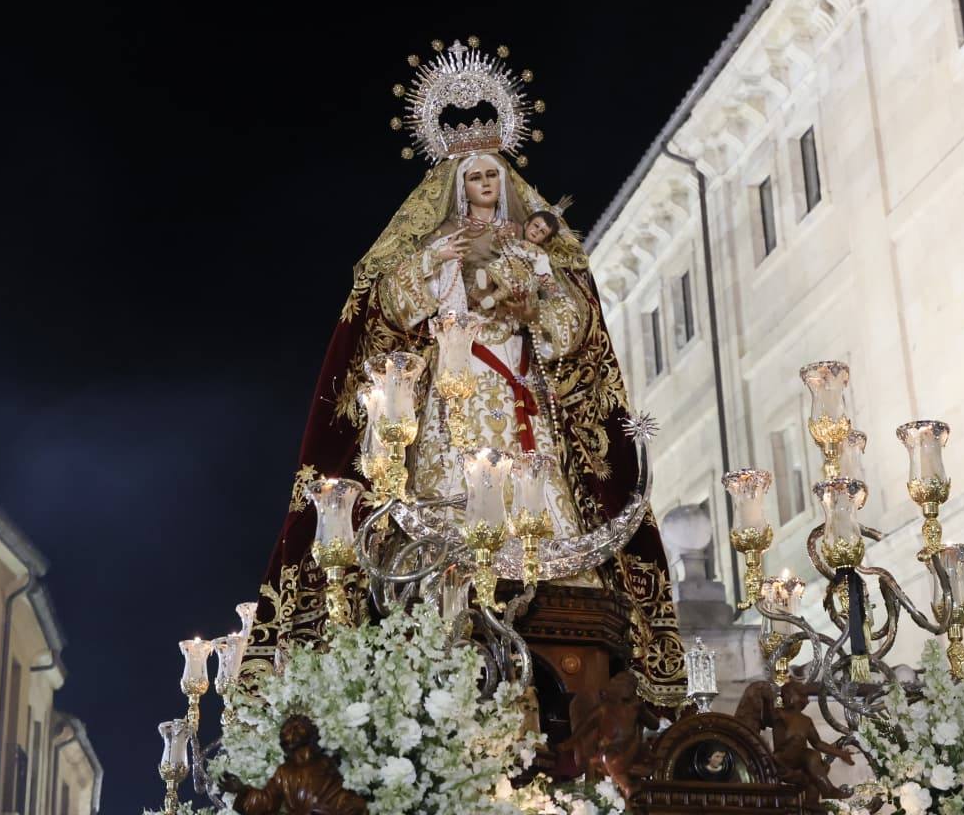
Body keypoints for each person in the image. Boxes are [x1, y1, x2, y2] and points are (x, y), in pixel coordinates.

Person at [250, 39, 685, 708]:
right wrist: (431, 269)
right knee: (446, 503)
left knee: (541, 503)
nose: (485, 188)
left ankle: (550, 585)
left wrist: (535, 299)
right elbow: (388, 306)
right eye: (474, 180)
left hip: (520, 389)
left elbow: (572, 334)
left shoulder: (531, 251)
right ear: (455, 187)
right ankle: (445, 562)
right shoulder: (434, 246)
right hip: (456, 388)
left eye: (493, 178)